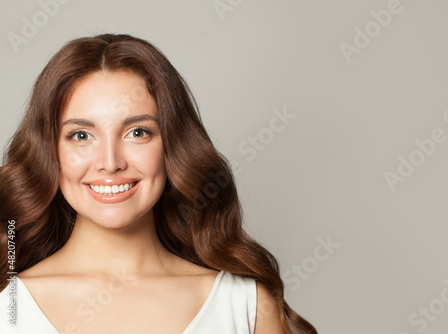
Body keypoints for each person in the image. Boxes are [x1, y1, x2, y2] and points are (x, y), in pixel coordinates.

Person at [0, 34, 317, 333]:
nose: (110, 162)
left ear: (172, 146)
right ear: (50, 152)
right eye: (81, 136)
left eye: (137, 132)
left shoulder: (246, 306)